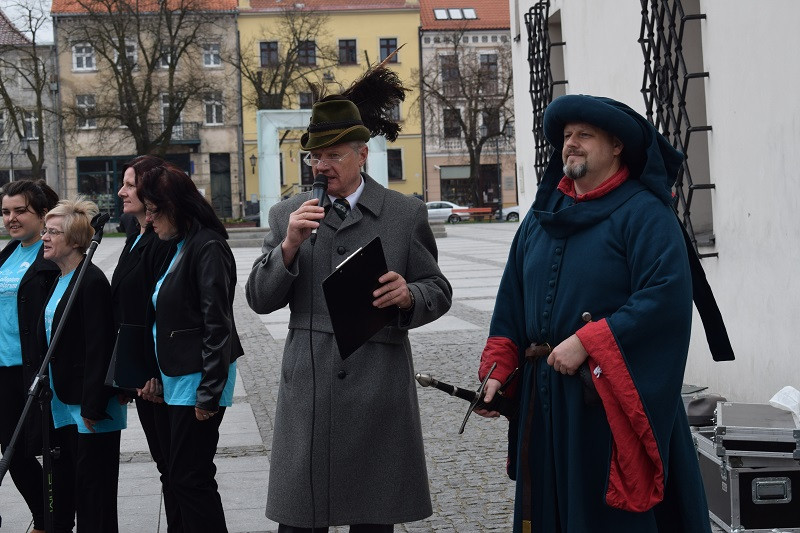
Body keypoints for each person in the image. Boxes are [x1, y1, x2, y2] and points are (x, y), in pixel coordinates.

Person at [476, 94, 713, 532]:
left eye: (585, 135)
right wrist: (499, 369)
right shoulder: (540, 217)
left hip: (608, 405)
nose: (571, 144)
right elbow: (511, 297)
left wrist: (589, 341)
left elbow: (664, 297)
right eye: (567, 136)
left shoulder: (645, 215)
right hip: (545, 403)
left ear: (618, 145)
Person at [245, 93, 453, 530]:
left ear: (362, 154)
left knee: (373, 517)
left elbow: (438, 289)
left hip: (379, 385)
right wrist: (289, 247)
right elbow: (260, 299)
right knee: (301, 518)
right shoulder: (288, 214)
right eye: (314, 157)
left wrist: (410, 294)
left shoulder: (404, 213)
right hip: (310, 387)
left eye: (333, 155)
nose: (321, 166)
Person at [138, 162, 243, 533]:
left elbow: (218, 324)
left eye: (153, 211)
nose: (149, 221)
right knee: (182, 476)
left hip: (198, 381)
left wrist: (209, 393)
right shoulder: (184, 245)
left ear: (176, 206)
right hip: (180, 378)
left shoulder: (208, 246)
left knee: (189, 478)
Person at [40, 197, 122, 533]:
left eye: (53, 232)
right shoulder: (57, 279)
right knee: (68, 485)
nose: (45, 237)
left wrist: (92, 403)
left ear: (75, 241)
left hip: (89, 406)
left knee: (94, 494)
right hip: (62, 401)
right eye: (45, 230)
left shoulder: (90, 281)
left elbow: (100, 347)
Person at [110, 155, 176, 528]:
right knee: (165, 466)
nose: (122, 191)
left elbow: (160, 311)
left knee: (176, 469)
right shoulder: (134, 233)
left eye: (130, 184)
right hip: (138, 370)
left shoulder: (163, 239)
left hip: (157, 374)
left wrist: (152, 371)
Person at [0, 179, 60, 533]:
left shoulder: (50, 255)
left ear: (41, 213)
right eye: (6, 212)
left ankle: (47, 518)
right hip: (1, 367)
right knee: (12, 448)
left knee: (22, 449)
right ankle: (45, 517)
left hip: (28, 369)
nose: (11, 218)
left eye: (20, 210)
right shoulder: (8, 253)